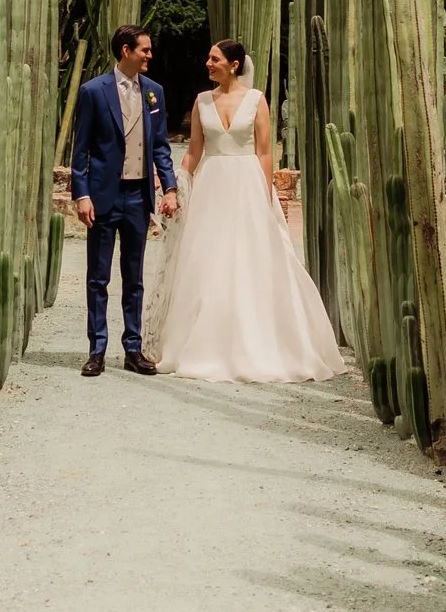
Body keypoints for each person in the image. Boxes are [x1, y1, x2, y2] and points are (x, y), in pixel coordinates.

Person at [143, 38, 343, 383]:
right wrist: (176, 185)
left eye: (214, 59)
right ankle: (201, 343)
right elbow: (193, 151)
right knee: (207, 260)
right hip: (212, 186)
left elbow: (265, 152)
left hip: (247, 183)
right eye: (208, 58)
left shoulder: (256, 100)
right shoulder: (202, 100)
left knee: (251, 260)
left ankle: (259, 343)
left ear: (234, 65)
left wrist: (264, 195)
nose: (208, 63)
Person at [67, 25, 180, 376]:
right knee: (98, 277)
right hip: (103, 196)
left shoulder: (154, 93)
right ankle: (96, 350)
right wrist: (82, 194)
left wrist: (171, 188)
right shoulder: (93, 91)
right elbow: (81, 148)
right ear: (127, 51)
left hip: (138, 196)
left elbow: (160, 145)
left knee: (135, 277)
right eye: (144, 50)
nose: (149, 55)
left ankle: (133, 349)